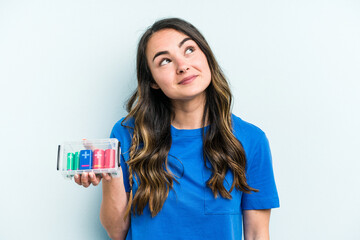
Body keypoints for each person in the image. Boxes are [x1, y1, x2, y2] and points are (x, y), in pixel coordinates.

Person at [74, 17, 279, 240]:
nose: (183, 66)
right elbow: (116, 232)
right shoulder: (128, 134)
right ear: (152, 81)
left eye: (189, 50)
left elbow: (258, 233)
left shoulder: (250, 139)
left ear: (206, 57)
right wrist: (110, 172)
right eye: (164, 61)